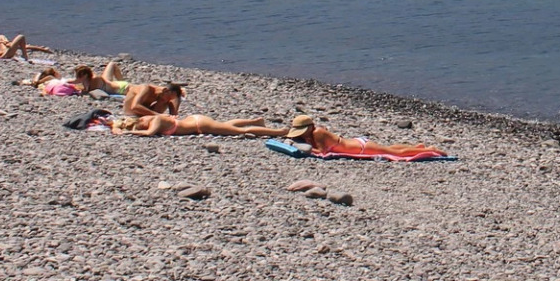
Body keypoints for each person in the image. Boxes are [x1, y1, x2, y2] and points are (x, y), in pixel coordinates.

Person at [282, 115, 449, 159]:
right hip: (356, 143)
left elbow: (322, 151)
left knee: (394, 153)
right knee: (389, 149)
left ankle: (429, 150)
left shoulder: (318, 133)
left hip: (360, 148)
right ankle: (418, 147)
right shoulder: (314, 133)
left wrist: (302, 148)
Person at [111, 113, 294, 138]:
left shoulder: (154, 121)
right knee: (223, 125)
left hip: (199, 124)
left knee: (239, 131)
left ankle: (279, 131)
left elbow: (150, 133)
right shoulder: (149, 117)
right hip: (196, 121)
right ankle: (255, 121)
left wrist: (129, 133)